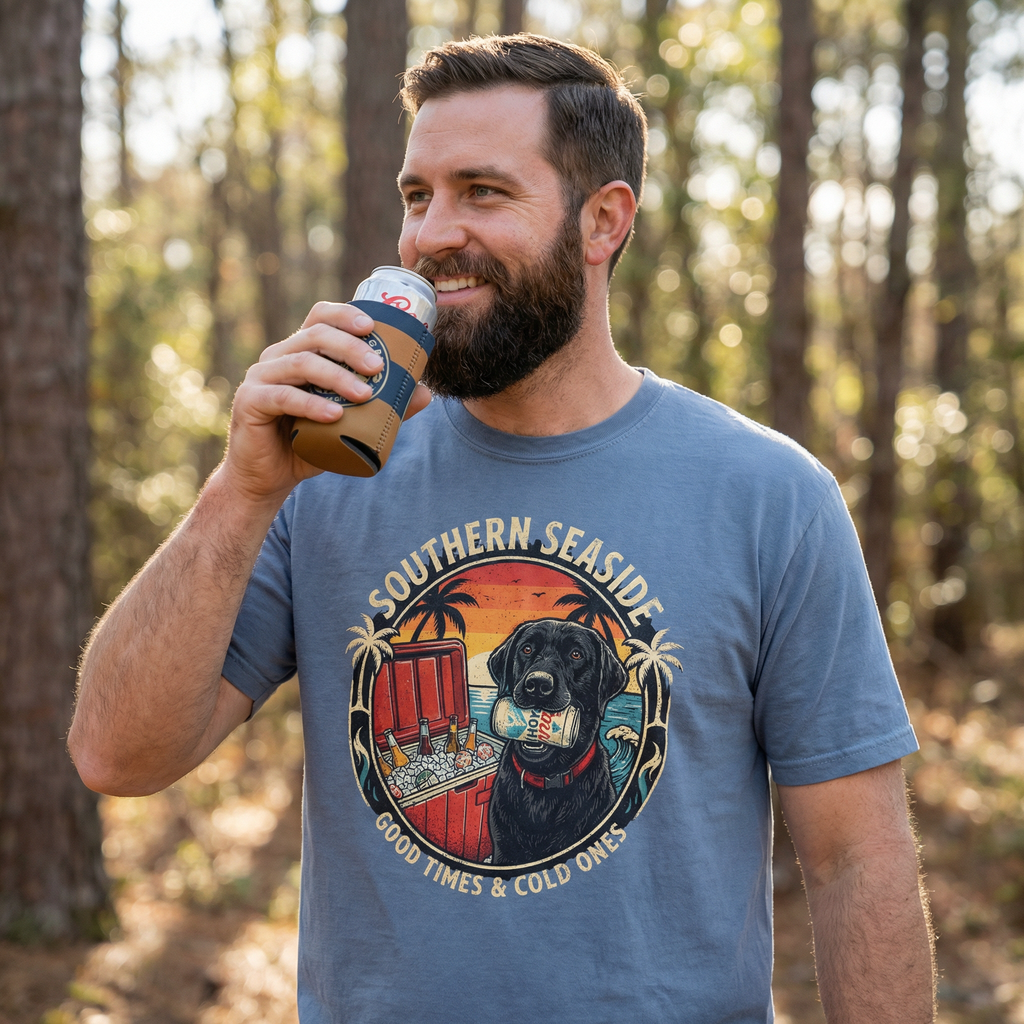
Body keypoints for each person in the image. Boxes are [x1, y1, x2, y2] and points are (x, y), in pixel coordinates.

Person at [70, 33, 935, 1024]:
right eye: (416, 195)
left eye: (482, 191)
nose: (431, 234)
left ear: (602, 220)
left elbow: (854, 856)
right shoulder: (316, 481)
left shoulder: (767, 494)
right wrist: (237, 490)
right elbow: (116, 757)